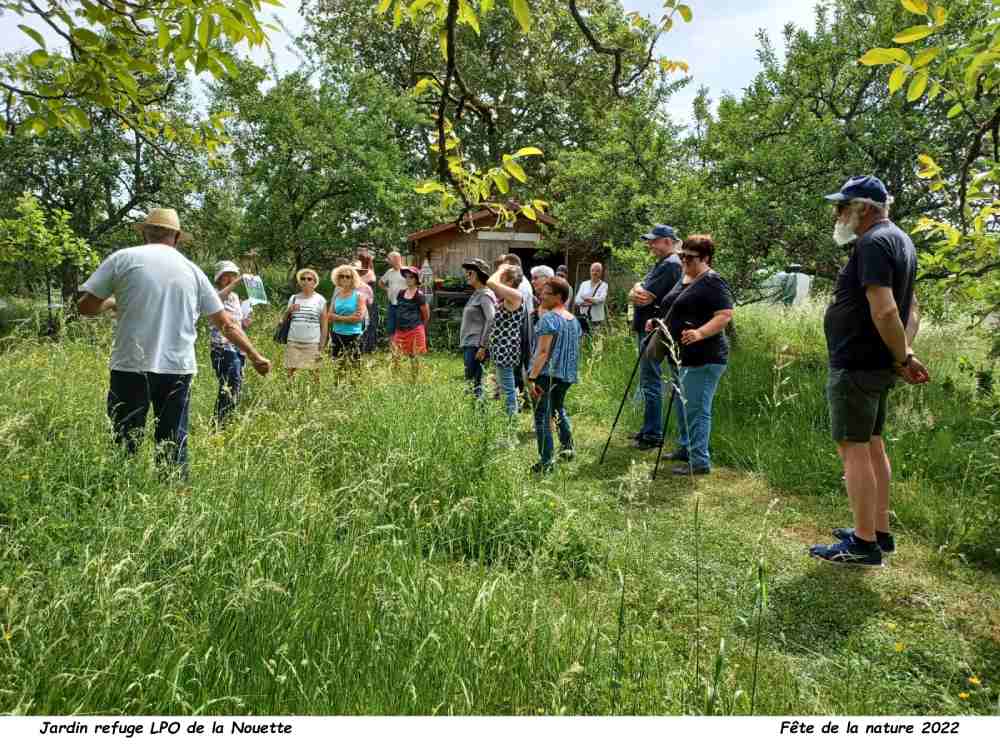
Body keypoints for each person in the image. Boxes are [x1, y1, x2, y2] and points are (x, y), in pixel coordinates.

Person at [77, 208, 271, 477]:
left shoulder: (122, 259)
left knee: (124, 440)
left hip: (130, 366)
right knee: (173, 442)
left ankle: (121, 492)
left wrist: (112, 301)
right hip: (177, 368)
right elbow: (226, 323)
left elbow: (86, 307)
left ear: (145, 232)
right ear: (177, 237)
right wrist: (255, 355)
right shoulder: (192, 271)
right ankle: (175, 497)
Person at [809, 176, 930, 567]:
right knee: (873, 442)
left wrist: (905, 357)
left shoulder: (874, 242)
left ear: (864, 208)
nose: (838, 214)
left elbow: (887, 309)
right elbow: (913, 308)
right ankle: (877, 531)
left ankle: (863, 544)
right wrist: (902, 354)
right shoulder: (901, 240)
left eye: (843, 206)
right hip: (877, 363)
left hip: (857, 362)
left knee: (853, 447)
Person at [647, 235, 734, 476]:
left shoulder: (713, 281)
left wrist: (700, 332)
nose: (684, 260)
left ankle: (700, 461)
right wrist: (659, 322)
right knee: (682, 405)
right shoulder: (687, 278)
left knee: (697, 408)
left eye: (690, 257)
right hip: (682, 355)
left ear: (705, 258)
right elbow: (674, 307)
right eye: (682, 255)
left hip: (706, 357)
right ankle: (685, 449)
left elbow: (725, 315)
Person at [629, 224, 684, 449]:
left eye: (654, 241)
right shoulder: (662, 263)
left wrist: (637, 289)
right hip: (651, 326)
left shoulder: (670, 265)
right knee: (648, 380)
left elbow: (642, 297)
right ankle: (649, 429)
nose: (650, 245)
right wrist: (636, 289)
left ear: (668, 241)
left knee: (651, 380)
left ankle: (652, 434)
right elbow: (635, 293)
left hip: (654, 328)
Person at [526, 276, 581, 473]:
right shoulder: (573, 320)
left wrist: (532, 377)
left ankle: (546, 462)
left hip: (546, 375)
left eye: (546, 293)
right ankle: (568, 449)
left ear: (559, 297)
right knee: (558, 410)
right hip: (566, 376)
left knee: (542, 417)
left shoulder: (549, 318)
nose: (541, 296)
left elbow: (542, 352)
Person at [208, 260, 251, 425]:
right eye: (226, 275)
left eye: (233, 275)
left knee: (237, 383)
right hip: (222, 346)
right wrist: (238, 281)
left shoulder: (234, 297)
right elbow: (217, 300)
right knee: (229, 382)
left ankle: (227, 421)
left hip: (238, 346)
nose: (230, 278)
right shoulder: (213, 292)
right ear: (219, 277)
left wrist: (245, 321)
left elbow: (239, 322)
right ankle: (218, 423)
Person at [486, 263, 527, 416]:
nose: (500, 282)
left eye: (503, 279)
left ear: (509, 281)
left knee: (508, 389)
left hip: (506, 349)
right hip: (501, 348)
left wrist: (501, 270)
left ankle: (511, 424)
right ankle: (508, 417)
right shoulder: (511, 296)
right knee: (504, 387)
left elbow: (491, 283)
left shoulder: (515, 295)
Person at [459, 258, 496, 400]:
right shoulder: (476, 293)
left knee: (476, 381)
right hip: (470, 343)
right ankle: (473, 413)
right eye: (466, 273)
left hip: (476, 345)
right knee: (471, 380)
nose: (467, 275)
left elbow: (491, 318)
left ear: (480, 274)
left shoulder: (485, 295)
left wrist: (483, 346)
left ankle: (479, 415)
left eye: (470, 273)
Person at [284, 268, 327, 380]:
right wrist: (288, 311)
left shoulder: (320, 300)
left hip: (312, 342)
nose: (306, 281)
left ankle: (315, 395)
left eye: (309, 279)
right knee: (290, 373)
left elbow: (324, 325)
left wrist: (321, 346)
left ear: (314, 282)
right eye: (302, 279)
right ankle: (290, 395)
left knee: (314, 374)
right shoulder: (293, 298)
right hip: (293, 340)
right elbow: (283, 321)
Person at [392, 266, 430, 380]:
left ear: (417, 279)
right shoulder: (401, 293)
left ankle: (414, 380)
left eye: (411, 277)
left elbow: (426, 315)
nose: (408, 279)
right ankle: (396, 379)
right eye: (407, 277)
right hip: (400, 329)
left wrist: (419, 327)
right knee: (395, 355)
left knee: (414, 356)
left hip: (415, 329)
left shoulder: (420, 295)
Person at [328, 265, 368, 364]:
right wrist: (349, 317)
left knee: (354, 368)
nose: (344, 278)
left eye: (348, 276)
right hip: (337, 335)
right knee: (337, 367)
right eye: (342, 276)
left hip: (353, 336)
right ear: (338, 278)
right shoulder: (336, 295)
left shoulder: (359, 296)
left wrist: (337, 317)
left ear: (353, 279)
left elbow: (358, 318)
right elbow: (329, 317)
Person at [355, 247, 380, 353]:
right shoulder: (368, 271)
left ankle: (367, 346)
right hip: (362, 301)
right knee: (366, 323)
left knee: (368, 323)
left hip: (367, 302)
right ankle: (364, 346)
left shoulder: (368, 273)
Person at [379, 250, 407, 337]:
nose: (388, 261)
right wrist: (387, 289)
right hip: (392, 304)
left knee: (403, 327)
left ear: (396, 259)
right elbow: (380, 282)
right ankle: (392, 349)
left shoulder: (406, 271)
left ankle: (402, 348)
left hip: (404, 305)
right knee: (391, 328)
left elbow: (415, 284)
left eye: (389, 259)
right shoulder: (389, 272)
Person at [574, 262, 608, 333]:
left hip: (596, 318)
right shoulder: (584, 284)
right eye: (592, 270)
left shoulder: (604, 285)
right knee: (583, 338)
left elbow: (600, 299)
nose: (594, 272)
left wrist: (585, 298)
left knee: (595, 340)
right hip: (583, 317)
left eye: (597, 271)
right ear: (590, 272)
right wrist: (589, 302)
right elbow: (577, 300)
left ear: (601, 273)